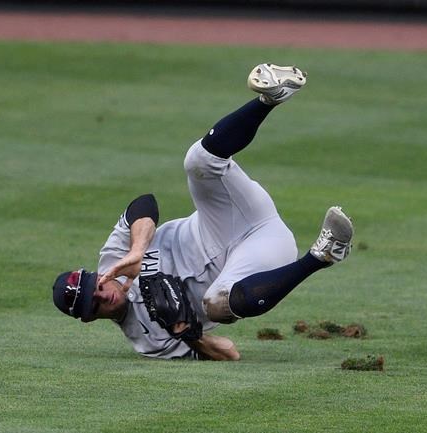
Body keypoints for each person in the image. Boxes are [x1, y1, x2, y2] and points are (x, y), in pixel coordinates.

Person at [52, 63, 353, 361]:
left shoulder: (113, 258)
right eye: (94, 304)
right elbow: (230, 354)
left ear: (98, 277)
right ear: (89, 318)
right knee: (216, 305)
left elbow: (144, 204)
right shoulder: (148, 341)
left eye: (96, 287)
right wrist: (186, 333)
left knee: (198, 161)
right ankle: (322, 255)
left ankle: (270, 97)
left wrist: (137, 250)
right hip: (258, 258)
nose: (103, 295)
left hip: (222, 221)